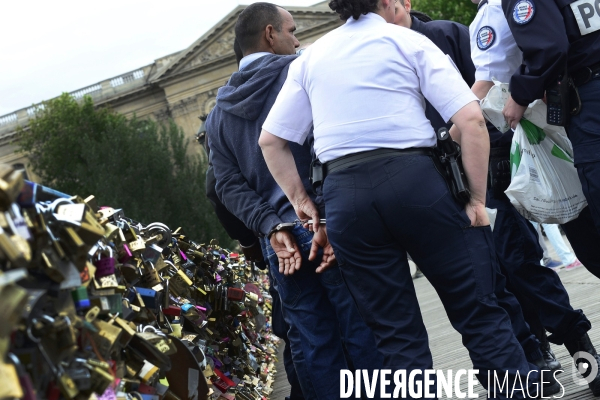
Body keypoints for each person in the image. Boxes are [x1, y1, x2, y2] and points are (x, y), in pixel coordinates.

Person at [259, 0, 545, 397]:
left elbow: (271, 140)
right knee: (479, 313)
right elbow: (471, 120)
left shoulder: (311, 58)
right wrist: (477, 200)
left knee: (396, 340)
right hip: (416, 180)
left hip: (347, 197)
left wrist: (301, 201)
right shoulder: (405, 41)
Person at [205, 3, 381, 399]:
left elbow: (225, 186)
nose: (298, 39)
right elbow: (332, 144)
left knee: (313, 341)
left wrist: (271, 225)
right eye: (292, 30)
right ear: (270, 34)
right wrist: (321, 213)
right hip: (327, 224)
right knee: (359, 326)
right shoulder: (300, 73)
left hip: (280, 244)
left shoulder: (217, 115)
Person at [469, 0, 600, 394]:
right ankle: (554, 354)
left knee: (549, 247)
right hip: (549, 128)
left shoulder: (452, 31)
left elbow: (541, 50)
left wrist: (519, 96)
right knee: (521, 258)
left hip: (549, 126)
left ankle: (578, 357)